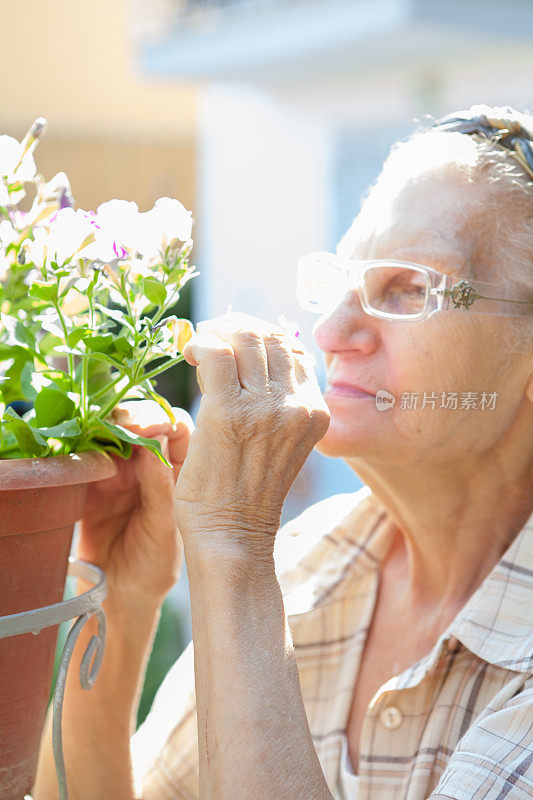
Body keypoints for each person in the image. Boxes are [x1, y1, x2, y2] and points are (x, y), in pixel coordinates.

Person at [34, 104, 533, 800]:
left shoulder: (258, 568)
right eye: (337, 284)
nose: (330, 331)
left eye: (408, 288)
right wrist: (122, 599)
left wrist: (232, 546)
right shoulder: (302, 565)